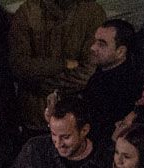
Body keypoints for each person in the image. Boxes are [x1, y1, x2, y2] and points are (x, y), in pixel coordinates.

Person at [8, 0, 104, 131]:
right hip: (34, 115)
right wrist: (63, 65)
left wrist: (36, 82)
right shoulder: (27, 12)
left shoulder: (92, 13)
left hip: (74, 117)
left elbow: (87, 73)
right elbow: (19, 66)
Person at [81, 20, 143, 141]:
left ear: (120, 51)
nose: (93, 47)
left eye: (102, 44)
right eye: (95, 41)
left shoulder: (126, 85)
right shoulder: (102, 72)